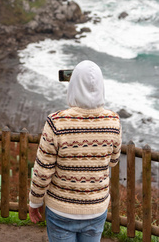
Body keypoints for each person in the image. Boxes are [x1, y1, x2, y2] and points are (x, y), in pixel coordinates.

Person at [29, 60, 122, 242]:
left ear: (72, 86)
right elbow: (113, 161)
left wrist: (35, 202)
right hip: (96, 208)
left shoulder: (56, 122)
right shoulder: (113, 121)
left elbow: (42, 171)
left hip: (61, 209)